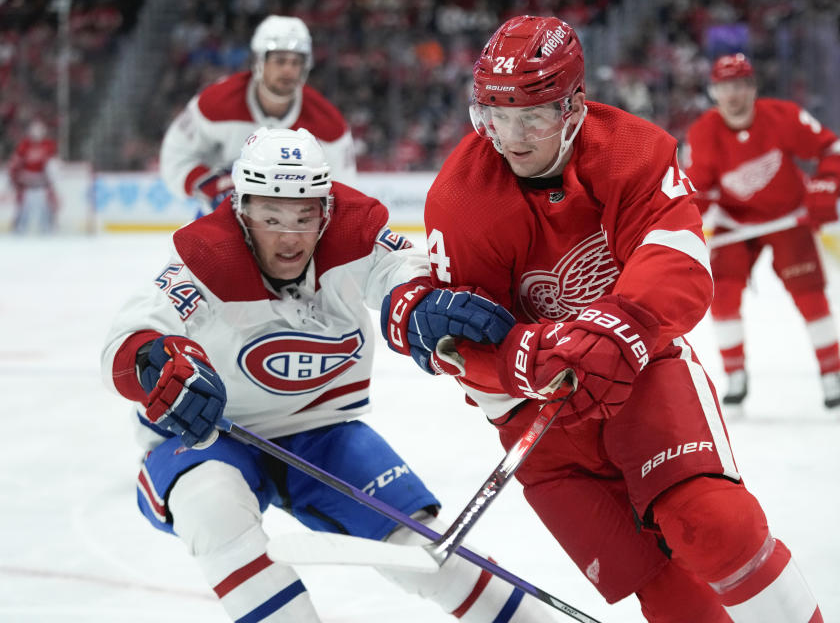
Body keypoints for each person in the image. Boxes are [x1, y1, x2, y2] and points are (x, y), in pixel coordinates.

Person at [383, 16, 823, 623]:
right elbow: (462, 347)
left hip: (642, 373)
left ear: (574, 106)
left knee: (715, 525)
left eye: (531, 116)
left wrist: (616, 328)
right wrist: (533, 358)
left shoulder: (632, 151)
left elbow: (681, 261)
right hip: (532, 417)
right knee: (662, 588)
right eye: (494, 115)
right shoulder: (460, 198)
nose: (510, 137)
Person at [101, 127, 554, 623]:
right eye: (271, 217)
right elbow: (133, 335)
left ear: (326, 210)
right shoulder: (209, 255)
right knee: (213, 508)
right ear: (241, 210)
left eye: (304, 216)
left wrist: (420, 303)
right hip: (211, 436)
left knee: (425, 550)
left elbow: (400, 269)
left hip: (320, 431)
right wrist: (158, 362)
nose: (290, 237)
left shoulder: (354, 230)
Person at [684, 53, 840, 411]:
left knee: (810, 295)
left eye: (741, 85)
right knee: (723, 296)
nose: (734, 95)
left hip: (788, 217)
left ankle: (831, 373)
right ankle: (735, 375)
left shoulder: (783, 117)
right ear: (714, 92)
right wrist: (692, 223)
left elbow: (833, 149)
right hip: (735, 224)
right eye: (725, 87)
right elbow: (696, 194)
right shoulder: (702, 133)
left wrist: (826, 186)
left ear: (753, 88)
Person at [159, 15, 357, 214]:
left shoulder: (329, 124)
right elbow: (176, 157)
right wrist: (213, 186)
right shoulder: (215, 103)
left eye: (296, 62)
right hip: (220, 219)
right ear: (259, 61)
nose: (289, 69)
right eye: (280, 61)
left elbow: (344, 195)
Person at [7, 119, 58, 233]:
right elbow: (16, 162)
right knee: (24, 209)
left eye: (39, 131)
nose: (36, 134)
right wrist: (16, 176)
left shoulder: (49, 144)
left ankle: (48, 227)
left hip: (42, 185)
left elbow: (52, 164)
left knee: (46, 208)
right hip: (27, 185)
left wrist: (51, 176)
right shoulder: (24, 145)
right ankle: (19, 228)